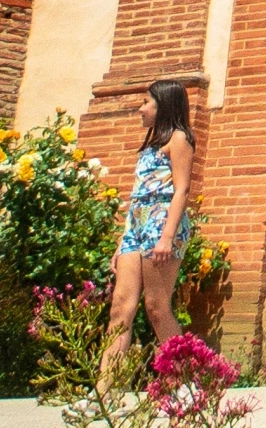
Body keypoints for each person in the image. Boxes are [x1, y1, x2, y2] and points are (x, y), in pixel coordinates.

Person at [102, 79, 195, 374]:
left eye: (146, 102)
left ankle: (186, 381)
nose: (140, 109)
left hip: (161, 226)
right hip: (136, 228)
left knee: (156, 306)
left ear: (163, 106)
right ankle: (105, 393)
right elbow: (138, 195)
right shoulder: (149, 146)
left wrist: (167, 237)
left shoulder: (179, 139)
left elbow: (181, 190)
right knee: (120, 306)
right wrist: (122, 242)